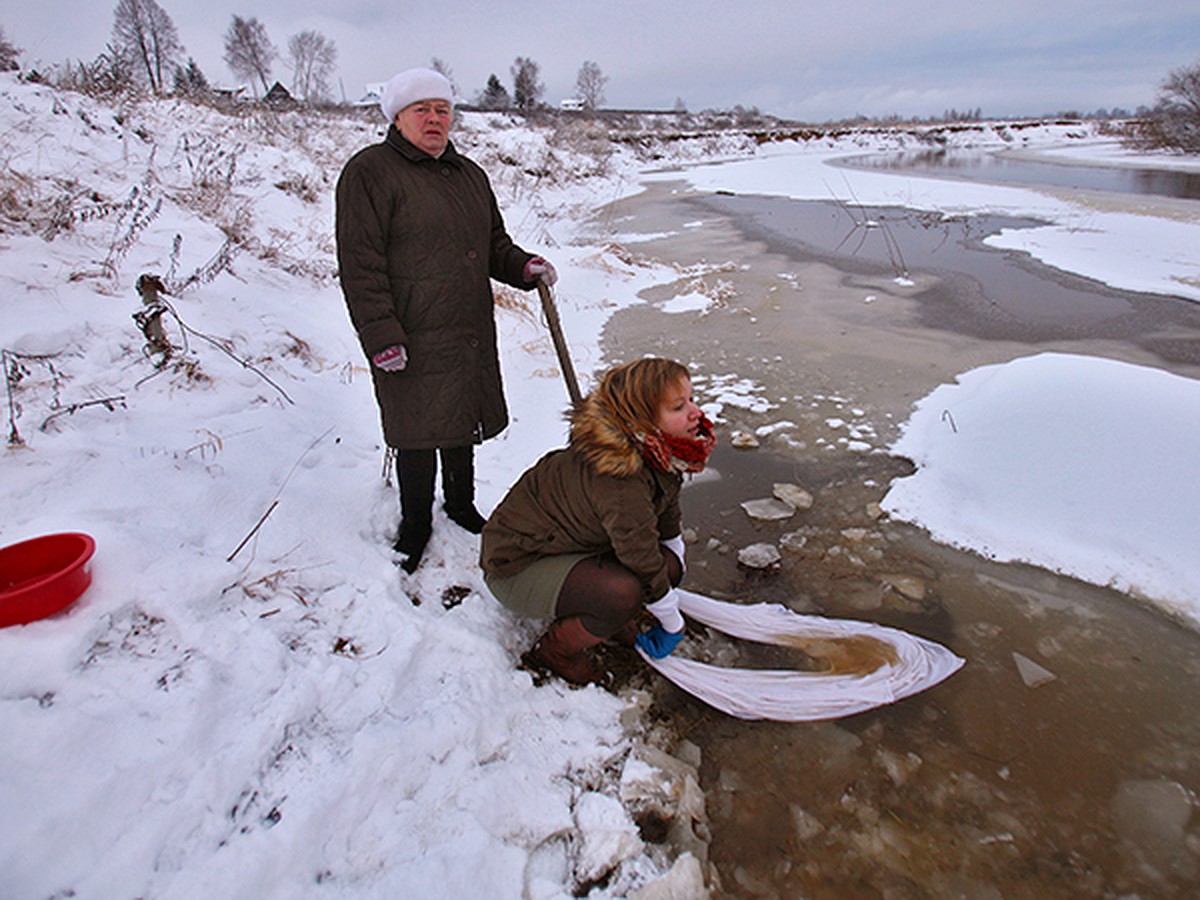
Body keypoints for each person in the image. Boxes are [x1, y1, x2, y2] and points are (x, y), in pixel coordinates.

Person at [336, 67, 557, 573]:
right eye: (422, 110)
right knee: (417, 427)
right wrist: (381, 334)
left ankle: (460, 505)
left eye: (442, 110)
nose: (435, 119)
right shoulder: (369, 172)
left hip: (466, 324)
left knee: (461, 417)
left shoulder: (469, 175)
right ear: (398, 116)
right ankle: (416, 523)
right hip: (410, 328)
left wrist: (523, 266)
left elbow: (492, 244)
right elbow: (360, 264)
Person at [481, 358, 717, 685]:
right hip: (519, 565)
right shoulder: (620, 475)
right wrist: (670, 620)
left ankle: (608, 620)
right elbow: (638, 552)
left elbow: (663, 511)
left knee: (669, 567)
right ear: (642, 420)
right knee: (622, 592)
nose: (694, 412)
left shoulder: (658, 450)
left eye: (691, 399)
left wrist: (674, 552)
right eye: (678, 407)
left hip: (571, 546)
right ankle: (556, 651)